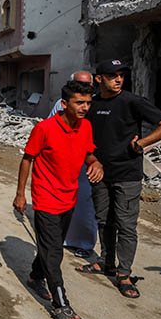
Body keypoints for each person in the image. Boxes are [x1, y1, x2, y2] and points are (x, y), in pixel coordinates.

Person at [77, 59, 161, 298]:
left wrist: (141, 143)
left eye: (121, 75)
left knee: (126, 225)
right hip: (99, 173)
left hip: (127, 175)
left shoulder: (132, 101)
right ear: (99, 79)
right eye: (113, 75)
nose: (119, 79)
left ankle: (124, 274)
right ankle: (106, 262)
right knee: (104, 220)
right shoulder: (93, 103)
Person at [13, 80, 104, 319]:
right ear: (64, 104)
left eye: (88, 103)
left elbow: (88, 154)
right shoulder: (44, 128)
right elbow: (27, 159)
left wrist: (95, 163)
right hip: (45, 198)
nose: (85, 107)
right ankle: (61, 304)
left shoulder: (86, 126)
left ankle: (35, 276)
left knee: (49, 247)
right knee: (54, 252)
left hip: (69, 197)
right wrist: (20, 194)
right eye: (79, 102)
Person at [48, 71, 97, 257]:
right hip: (64, 161)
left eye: (87, 84)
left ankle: (84, 243)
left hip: (86, 160)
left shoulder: (93, 104)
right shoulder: (61, 104)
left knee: (85, 204)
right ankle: (60, 238)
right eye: (79, 83)